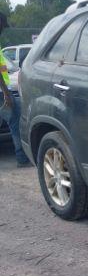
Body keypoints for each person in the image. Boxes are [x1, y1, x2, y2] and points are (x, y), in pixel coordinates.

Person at [0, 12, 31, 167]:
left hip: (5, 90)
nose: (3, 28)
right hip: (3, 92)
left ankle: (21, 156)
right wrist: (6, 94)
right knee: (15, 123)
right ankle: (21, 157)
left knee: (14, 122)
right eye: (2, 24)